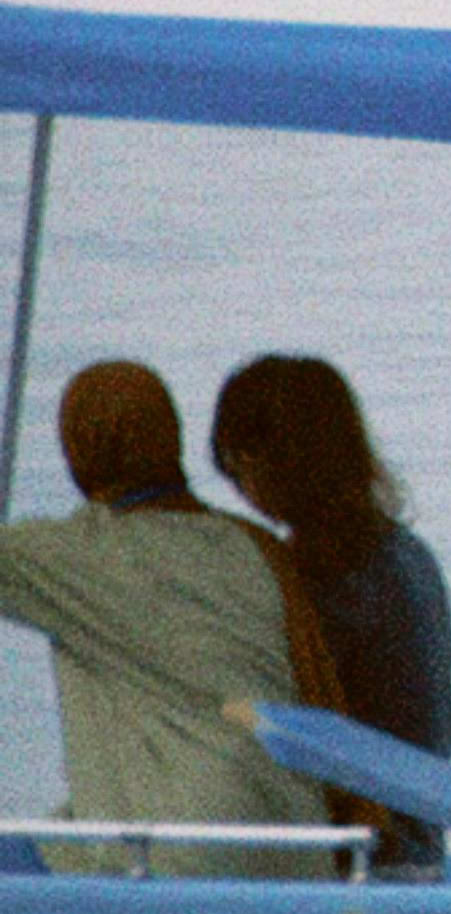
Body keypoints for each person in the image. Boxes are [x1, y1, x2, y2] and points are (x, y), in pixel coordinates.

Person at [0, 361, 331, 872]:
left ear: (80, 452)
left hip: (182, 856)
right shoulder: (255, 546)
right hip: (297, 845)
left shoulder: (78, 553)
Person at [211, 355, 451, 871]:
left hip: (371, 859)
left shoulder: (329, 581)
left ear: (271, 463)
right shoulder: (405, 554)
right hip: (419, 844)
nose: (241, 490)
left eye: (240, 468)